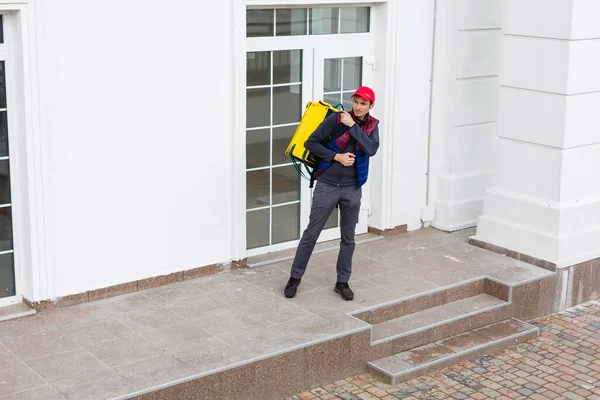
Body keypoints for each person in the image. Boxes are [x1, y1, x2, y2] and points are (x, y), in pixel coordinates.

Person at [284, 86, 380, 301]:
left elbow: (371, 149)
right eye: (356, 102)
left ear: (371, 106)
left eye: (363, 103)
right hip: (327, 184)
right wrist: (337, 157)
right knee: (311, 233)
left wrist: (354, 126)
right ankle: (294, 278)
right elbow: (311, 142)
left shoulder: (372, 126)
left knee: (348, 238)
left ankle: (342, 282)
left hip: (352, 188)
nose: (358, 106)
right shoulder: (337, 119)